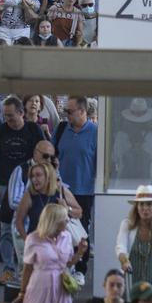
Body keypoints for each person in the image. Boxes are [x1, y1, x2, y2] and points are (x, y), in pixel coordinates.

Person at [15, 203, 84, 303]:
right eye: (64, 220)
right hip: (40, 288)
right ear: (54, 221)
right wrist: (22, 293)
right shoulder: (33, 239)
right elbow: (27, 269)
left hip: (61, 289)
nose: (67, 223)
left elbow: (66, 263)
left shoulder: (66, 237)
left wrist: (80, 253)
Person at [0, 96, 46, 285]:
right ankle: (8, 268)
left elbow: (45, 151)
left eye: (11, 116)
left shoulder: (33, 129)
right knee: (6, 226)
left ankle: (29, 266)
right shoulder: (1, 130)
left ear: (22, 113)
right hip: (5, 182)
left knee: (29, 224)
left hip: (30, 181)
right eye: (5, 116)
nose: (8, 120)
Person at [55, 96, 98, 272]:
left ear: (82, 112)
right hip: (62, 188)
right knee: (60, 227)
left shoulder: (96, 132)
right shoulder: (61, 129)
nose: (66, 115)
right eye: (65, 111)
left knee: (81, 230)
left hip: (84, 190)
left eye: (70, 112)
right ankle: (63, 265)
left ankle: (80, 268)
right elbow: (52, 154)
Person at [116, 185, 152, 294]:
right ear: (136, 207)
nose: (145, 208)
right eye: (141, 204)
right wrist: (124, 261)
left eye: (149, 204)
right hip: (132, 278)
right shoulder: (127, 224)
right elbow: (120, 247)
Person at [13, 161, 81, 243]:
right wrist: (27, 240)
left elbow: (79, 213)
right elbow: (19, 220)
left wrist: (67, 209)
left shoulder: (61, 191)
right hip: (37, 242)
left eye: (38, 175)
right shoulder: (29, 195)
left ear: (48, 177)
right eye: (32, 176)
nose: (34, 179)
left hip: (59, 243)